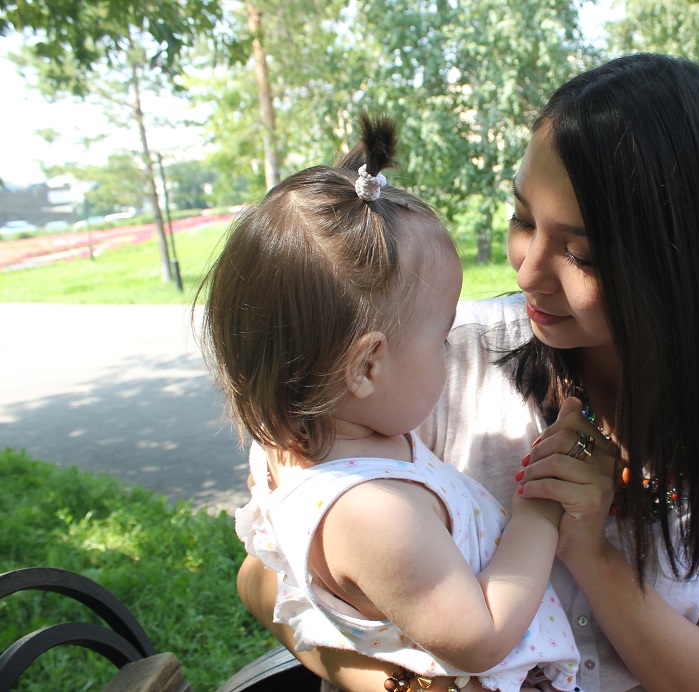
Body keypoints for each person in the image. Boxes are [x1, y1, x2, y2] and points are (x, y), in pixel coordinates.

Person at [237, 53, 699, 691]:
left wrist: (591, 551)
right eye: (523, 220)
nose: (528, 272)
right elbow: (264, 577)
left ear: (683, 266)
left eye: (582, 253)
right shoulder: (427, 360)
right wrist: (410, 687)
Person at [197, 114, 581, 692]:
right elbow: (481, 637)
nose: (452, 352)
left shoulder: (308, 453)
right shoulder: (373, 513)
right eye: (442, 340)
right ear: (367, 366)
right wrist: (540, 509)